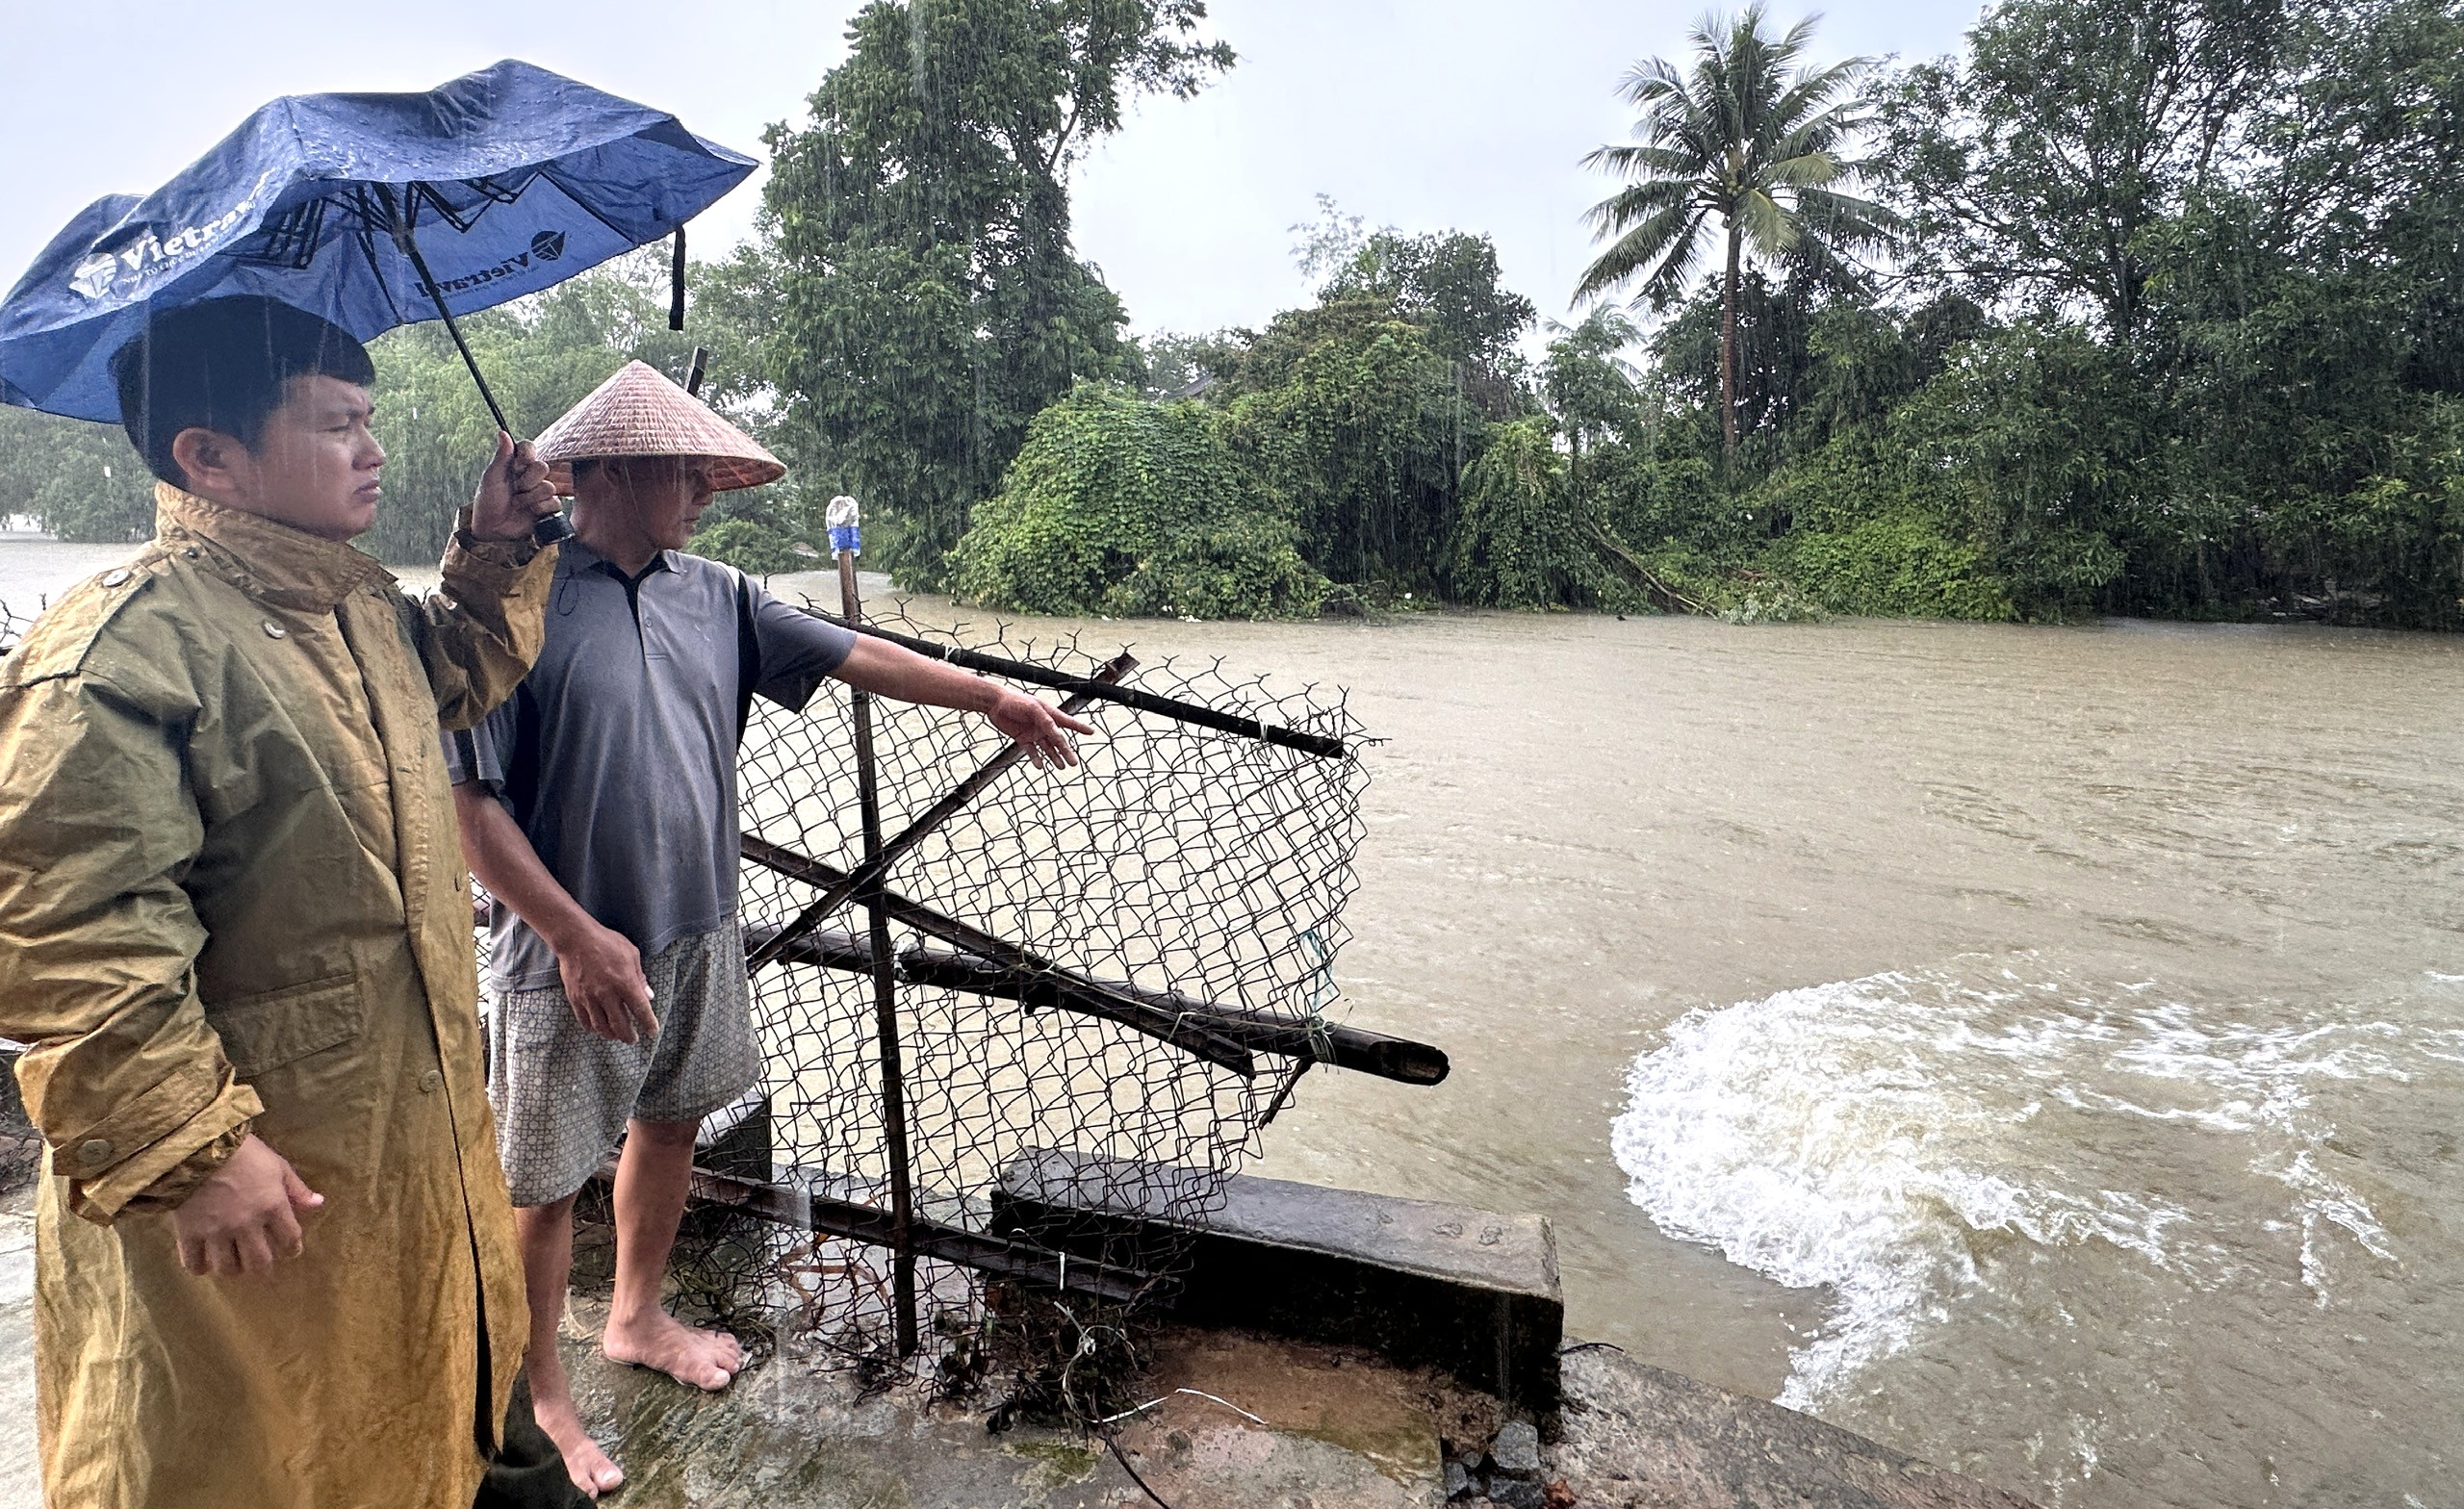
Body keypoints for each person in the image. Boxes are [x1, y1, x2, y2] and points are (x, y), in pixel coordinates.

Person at [445, 360, 1093, 1496]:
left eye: (708, 470)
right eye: (681, 469)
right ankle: (539, 1395)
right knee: (541, 1178)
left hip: (695, 922)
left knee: (676, 1117)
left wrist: (989, 694)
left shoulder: (721, 592)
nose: (704, 489)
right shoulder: (511, 603)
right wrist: (571, 934)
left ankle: (636, 1315)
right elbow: (469, 807)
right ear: (600, 472)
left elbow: (859, 657)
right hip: (562, 945)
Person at [0, 294, 590, 1508]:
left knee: (454, 1417)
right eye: (338, 427)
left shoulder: (356, 606)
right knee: (267, 1449)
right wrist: (188, 1145)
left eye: (369, 422)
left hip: (412, 1160)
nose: (374, 451)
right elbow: (67, 930)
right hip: (264, 1178)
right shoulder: (120, 650)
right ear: (207, 456)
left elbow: (459, 666)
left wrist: (495, 544)